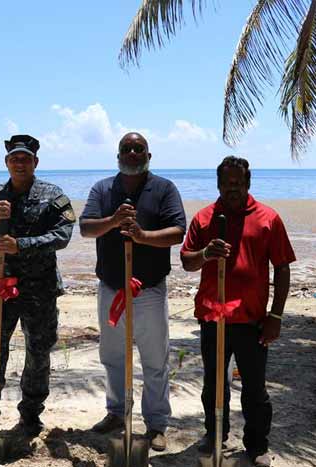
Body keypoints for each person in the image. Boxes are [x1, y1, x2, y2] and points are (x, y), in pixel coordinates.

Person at [180, 156, 296, 467]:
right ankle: (215, 434)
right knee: (214, 384)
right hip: (212, 317)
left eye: (238, 182)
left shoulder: (268, 218)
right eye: (227, 183)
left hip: (252, 319)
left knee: (255, 387)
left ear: (247, 183)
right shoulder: (205, 219)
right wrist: (206, 253)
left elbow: (282, 268)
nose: (233, 188)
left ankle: (257, 445)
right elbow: (187, 262)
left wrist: (276, 316)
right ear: (218, 184)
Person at [0, 134, 75, 445]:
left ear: (35, 162)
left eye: (26, 158)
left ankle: (30, 414)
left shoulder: (53, 195)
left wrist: (21, 245)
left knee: (38, 353)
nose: (20, 163)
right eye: (15, 158)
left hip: (39, 290)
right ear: (7, 163)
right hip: (0, 288)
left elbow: (63, 235)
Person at [79, 132, 186, 452]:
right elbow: (85, 228)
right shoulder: (103, 189)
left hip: (149, 290)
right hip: (112, 287)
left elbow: (178, 232)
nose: (133, 153)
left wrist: (141, 236)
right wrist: (113, 221)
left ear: (148, 154)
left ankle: (155, 424)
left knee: (155, 359)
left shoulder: (164, 188)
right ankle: (116, 413)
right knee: (112, 356)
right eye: (127, 148)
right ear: (118, 154)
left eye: (139, 148)